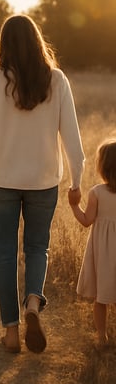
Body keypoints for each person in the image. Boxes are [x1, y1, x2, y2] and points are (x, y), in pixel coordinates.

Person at [0, 14, 85, 354]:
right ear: (37, 41)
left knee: (3, 255)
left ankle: (11, 333)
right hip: (44, 181)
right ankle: (32, 302)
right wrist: (77, 179)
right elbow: (72, 136)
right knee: (37, 248)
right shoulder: (56, 80)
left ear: (4, 44)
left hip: (0, 180)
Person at [68, 139, 116, 347]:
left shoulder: (97, 193)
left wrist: (74, 206)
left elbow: (86, 221)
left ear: (103, 167)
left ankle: (102, 337)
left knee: (101, 298)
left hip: (104, 252)